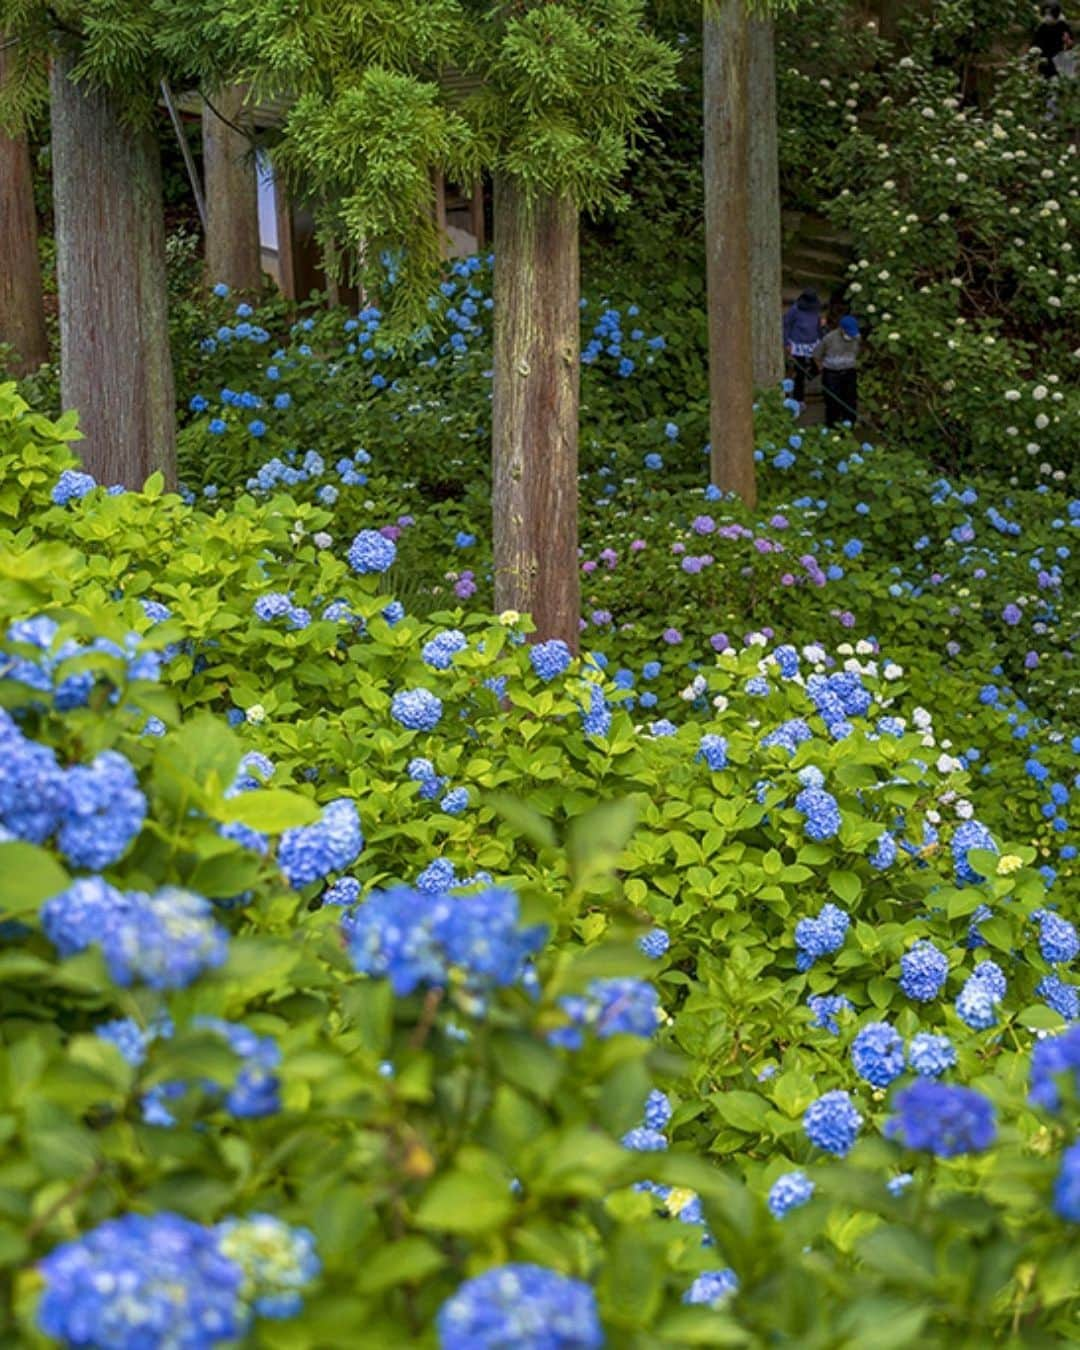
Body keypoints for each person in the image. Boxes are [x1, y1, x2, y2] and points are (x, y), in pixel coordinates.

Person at [813, 314, 861, 428]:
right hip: (832, 373)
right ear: (842, 329)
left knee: (850, 399)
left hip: (849, 371)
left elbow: (857, 351)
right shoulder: (829, 339)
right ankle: (832, 425)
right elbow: (816, 355)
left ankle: (849, 423)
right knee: (832, 401)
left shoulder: (857, 337)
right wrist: (821, 367)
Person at [782, 289, 825, 408]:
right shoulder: (795, 310)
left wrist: (821, 337)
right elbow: (786, 325)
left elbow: (817, 326)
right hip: (797, 345)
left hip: (813, 344)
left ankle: (807, 375)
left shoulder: (815, 309)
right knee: (799, 373)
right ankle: (798, 399)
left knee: (817, 368)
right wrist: (786, 343)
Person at [1034, 4, 1073, 77]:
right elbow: (1036, 44)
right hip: (1045, 60)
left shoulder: (1063, 26)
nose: (1047, 16)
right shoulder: (1042, 27)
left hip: (1060, 59)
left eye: (1049, 14)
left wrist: (1067, 41)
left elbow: (1070, 44)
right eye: (1046, 14)